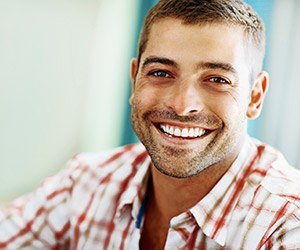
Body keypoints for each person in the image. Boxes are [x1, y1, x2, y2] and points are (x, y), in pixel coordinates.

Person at [1, 0, 300, 249]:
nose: (182, 105)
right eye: (161, 73)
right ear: (135, 79)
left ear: (255, 97)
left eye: (217, 80)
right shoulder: (85, 182)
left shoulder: (287, 226)